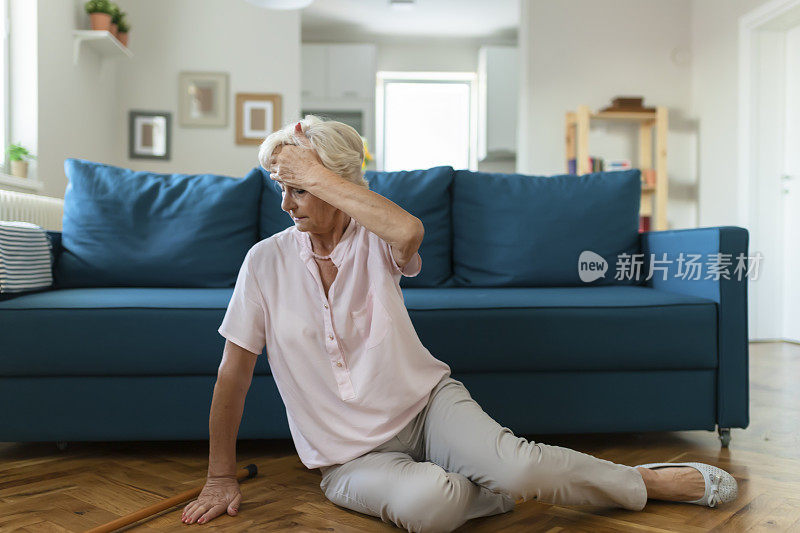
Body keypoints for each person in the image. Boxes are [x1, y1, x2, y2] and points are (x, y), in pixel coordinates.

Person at [180, 115, 738, 530]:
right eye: (282, 186)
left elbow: (409, 234)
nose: (286, 203)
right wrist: (219, 476)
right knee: (433, 506)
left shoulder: (376, 236)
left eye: (299, 188)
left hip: (426, 407)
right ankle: (492, 483)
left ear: (336, 184)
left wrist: (319, 176)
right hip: (347, 458)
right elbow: (233, 374)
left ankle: (644, 480)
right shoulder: (265, 262)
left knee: (520, 471)